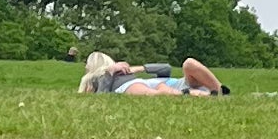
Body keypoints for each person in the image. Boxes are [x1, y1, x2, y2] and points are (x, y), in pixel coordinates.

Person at [80, 52, 226, 95]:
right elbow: (101, 97)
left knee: (189, 64)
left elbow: (166, 69)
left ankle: (219, 91)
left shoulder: (125, 74)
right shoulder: (100, 77)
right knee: (160, 91)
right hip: (163, 88)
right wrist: (109, 73)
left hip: (175, 83)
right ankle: (201, 94)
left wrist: (137, 69)